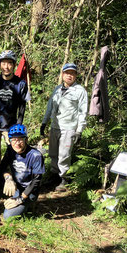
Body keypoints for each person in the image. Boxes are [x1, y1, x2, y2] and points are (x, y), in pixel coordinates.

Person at [40, 63, 88, 192]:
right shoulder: (57, 89)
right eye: (67, 73)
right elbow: (50, 106)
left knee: (64, 154)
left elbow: (82, 112)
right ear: (62, 74)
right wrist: (44, 123)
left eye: (72, 73)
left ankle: (63, 179)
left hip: (69, 127)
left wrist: (79, 130)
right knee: (53, 153)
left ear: (76, 75)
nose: (69, 75)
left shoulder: (80, 91)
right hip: (55, 126)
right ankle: (54, 176)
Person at [0, 124, 45, 219]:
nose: (17, 143)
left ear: (26, 140)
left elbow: (36, 181)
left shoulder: (35, 155)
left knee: (7, 217)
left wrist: (20, 199)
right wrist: (8, 178)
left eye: (20, 139)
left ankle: (28, 205)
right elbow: (2, 167)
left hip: (27, 190)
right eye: (13, 140)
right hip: (15, 185)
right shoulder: (11, 150)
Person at [0, 50, 29, 169]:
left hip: (11, 126)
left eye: (9, 63)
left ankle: (11, 176)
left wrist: (19, 123)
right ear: (0, 65)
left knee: (13, 152)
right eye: (3, 63)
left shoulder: (20, 84)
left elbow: (22, 106)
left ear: (14, 65)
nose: (6, 67)